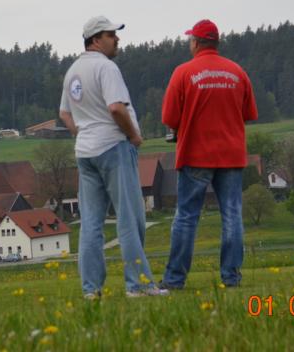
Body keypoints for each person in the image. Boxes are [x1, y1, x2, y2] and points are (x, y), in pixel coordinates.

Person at [59, 16, 167, 299]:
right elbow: (116, 108)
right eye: (111, 35)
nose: (117, 39)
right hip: (113, 147)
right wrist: (133, 135)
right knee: (130, 219)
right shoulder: (106, 67)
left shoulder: (72, 72)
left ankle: (91, 289)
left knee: (91, 224)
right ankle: (138, 285)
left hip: (85, 153)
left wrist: (83, 133)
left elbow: (64, 114)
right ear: (96, 40)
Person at [160, 19, 258, 289]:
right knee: (232, 215)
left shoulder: (183, 73)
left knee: (186, 216)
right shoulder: (237, 72)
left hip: (195, 155)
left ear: (195, 43)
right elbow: (249, 113)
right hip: (231, 156)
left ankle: (175, 279)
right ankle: (231, 277)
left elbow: (169, 117)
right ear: (216, 42)